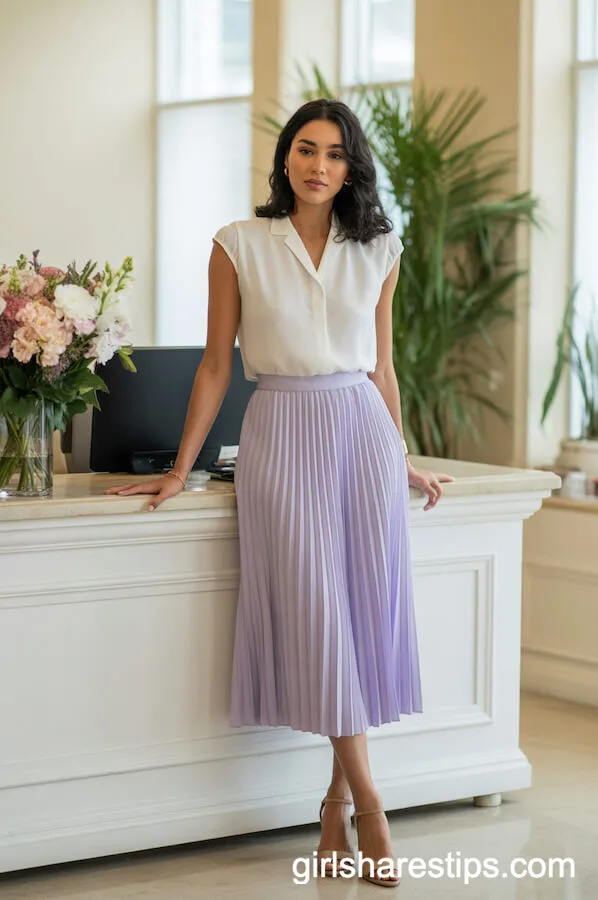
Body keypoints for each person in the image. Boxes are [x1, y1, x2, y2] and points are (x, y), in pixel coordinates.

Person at [105, 98, 455, 887]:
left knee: (355, 620)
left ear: (351, 167)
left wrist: (401, 457)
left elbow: (384, 368)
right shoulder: (238, 244)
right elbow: (215, 365)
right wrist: (181, 468)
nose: (318, 165)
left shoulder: (381, 248)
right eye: (305, 149)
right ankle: (371, 804)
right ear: (285, 157)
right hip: (281, 434)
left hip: (362, 432)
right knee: (317, 614)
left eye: (334, 153)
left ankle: (334, 804)